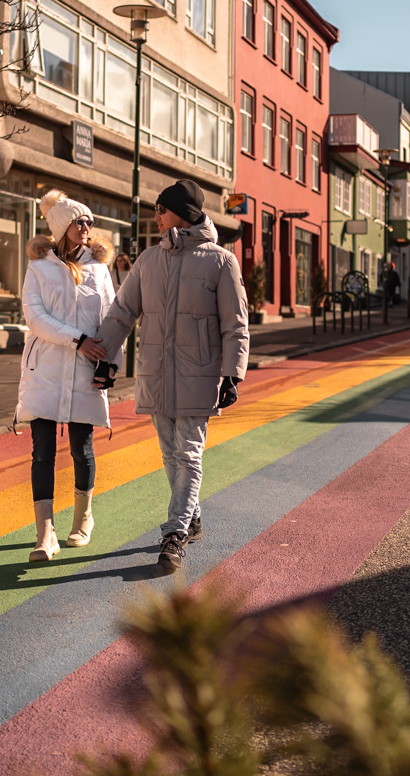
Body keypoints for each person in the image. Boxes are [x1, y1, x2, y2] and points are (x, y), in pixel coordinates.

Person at [96, 180, 249, 572]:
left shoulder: (220, 261)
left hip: (200, 373)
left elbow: (236, 324)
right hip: (156, 373)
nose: (156, 216)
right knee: (169, 454)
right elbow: (122, 312)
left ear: (183, 212)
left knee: (188, 454)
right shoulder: (149, 260)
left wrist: (233, 374)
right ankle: (192, 517)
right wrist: (104, 357)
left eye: (161, 209)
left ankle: (175, 533)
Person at [14, 190, 117, 562]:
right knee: (41, 452)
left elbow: (112, 321)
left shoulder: (100, 270)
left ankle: (82, 518)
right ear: (62, 227)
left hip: (85, 373)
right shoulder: (38, 269)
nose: (87, 227)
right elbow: (35, 319)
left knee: (81, 449)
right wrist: (78, 341)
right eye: (79, 221)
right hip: (44, 372)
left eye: (89, 221)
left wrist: (111, 363)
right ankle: (45, 535)